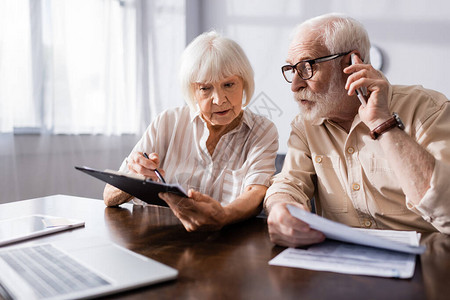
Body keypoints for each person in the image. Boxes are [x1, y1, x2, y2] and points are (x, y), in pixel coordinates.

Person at [265, 13, 450, 248]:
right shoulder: (306, 125)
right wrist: (280, 207)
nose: (295, 85)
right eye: (292, 69)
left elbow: (447, 211)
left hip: (428, 265)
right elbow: (288, 183)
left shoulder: (428, 109)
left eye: (307, 67)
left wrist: (383, 123)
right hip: (340, 268)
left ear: (351, 64)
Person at [104, 31, 279, 232]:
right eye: (206, 88)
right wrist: (135, 176)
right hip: (157, 237)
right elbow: (109, 197)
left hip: (225, 241)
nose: (219, 99)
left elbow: (256, 194)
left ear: (244, 84)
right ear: (192, 91)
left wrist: (223, 216)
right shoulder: (167, 121)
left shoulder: (263, 130)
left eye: (229, 84)